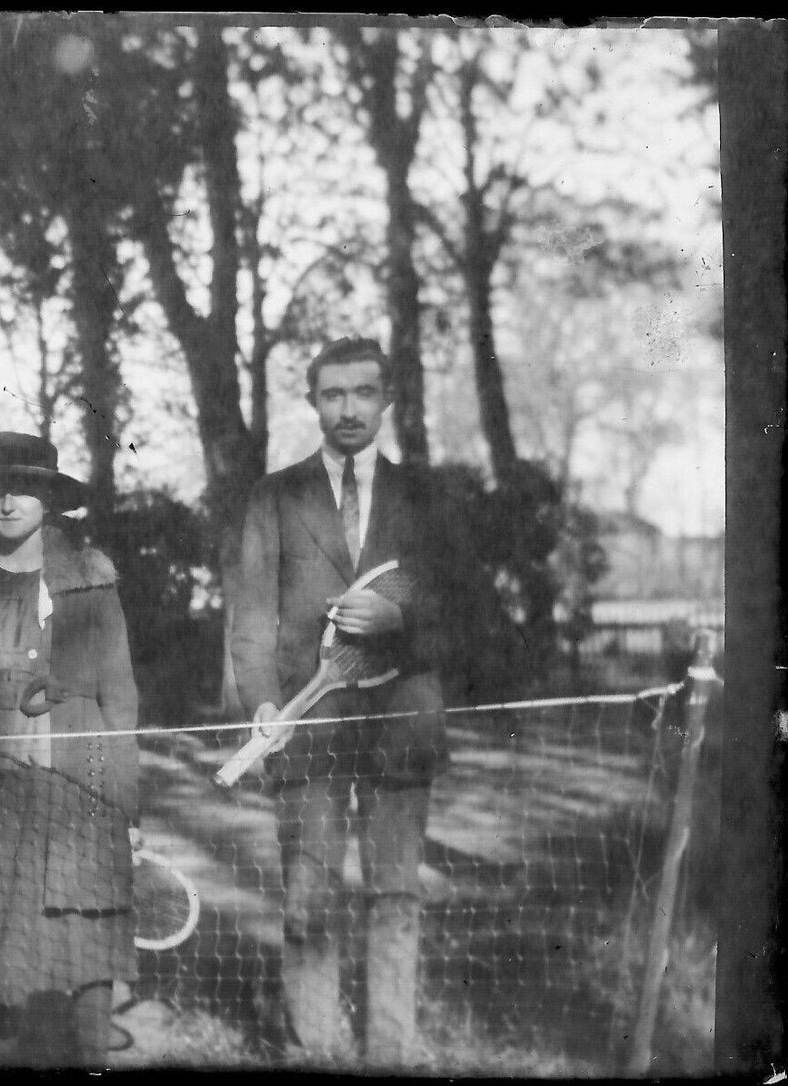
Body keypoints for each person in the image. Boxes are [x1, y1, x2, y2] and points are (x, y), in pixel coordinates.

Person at [231, 337, 449, 1067]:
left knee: (394, 896)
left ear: (386, 398)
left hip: (400, 720)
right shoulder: (273, 495)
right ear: (312, 401)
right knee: (307, 900)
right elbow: (249, 616)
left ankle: (390, 1049)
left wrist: (400, 620)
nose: (348, 408)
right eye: (332, 394)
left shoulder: (423, 495)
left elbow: (468, 614)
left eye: (362, 392)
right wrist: (263, 705)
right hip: (307, 721)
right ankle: (310, 1049)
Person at [0, 432, 141, 1068]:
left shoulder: (90, 585)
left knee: (84, 945)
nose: (9, 500)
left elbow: (119, 697)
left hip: (76, 785)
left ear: (50, 498)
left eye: (25, 486)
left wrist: (125, 805)